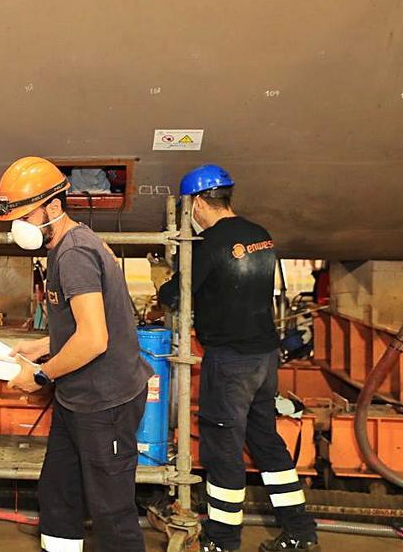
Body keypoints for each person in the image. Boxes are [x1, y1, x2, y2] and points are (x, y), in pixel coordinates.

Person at [156, 164, 318, 552]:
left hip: (230, 362)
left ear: (196, 203)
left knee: (223, 449)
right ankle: (300, 531)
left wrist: (165, 281)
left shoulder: (209, 245)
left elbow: (176, 295)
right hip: (264, 357)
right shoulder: (260, 235)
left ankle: (223, 539)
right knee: (265, 440)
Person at [0, 156, 151, 552]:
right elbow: (79, 324)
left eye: (25, 217)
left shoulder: (74, 254)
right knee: (59, 494)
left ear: (53, 206)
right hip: (77, 397)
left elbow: (95, 339)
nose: (19, 228)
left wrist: (40, 376)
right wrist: (39, 347)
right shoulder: (62, 246)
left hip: (106, 401)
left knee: (111, 512)